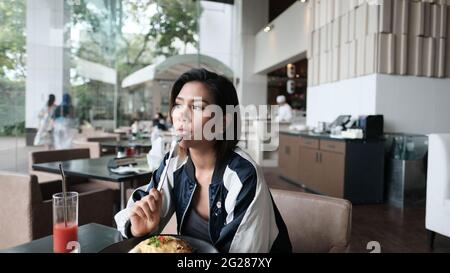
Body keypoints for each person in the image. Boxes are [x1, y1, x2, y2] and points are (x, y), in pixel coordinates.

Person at [114, 68, 292, 253]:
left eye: (197, 107)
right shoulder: (175, 163)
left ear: (223, 122)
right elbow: (133, 211)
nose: (181, 115)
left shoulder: (243, 175)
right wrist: (137, 228)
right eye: (178, 104)